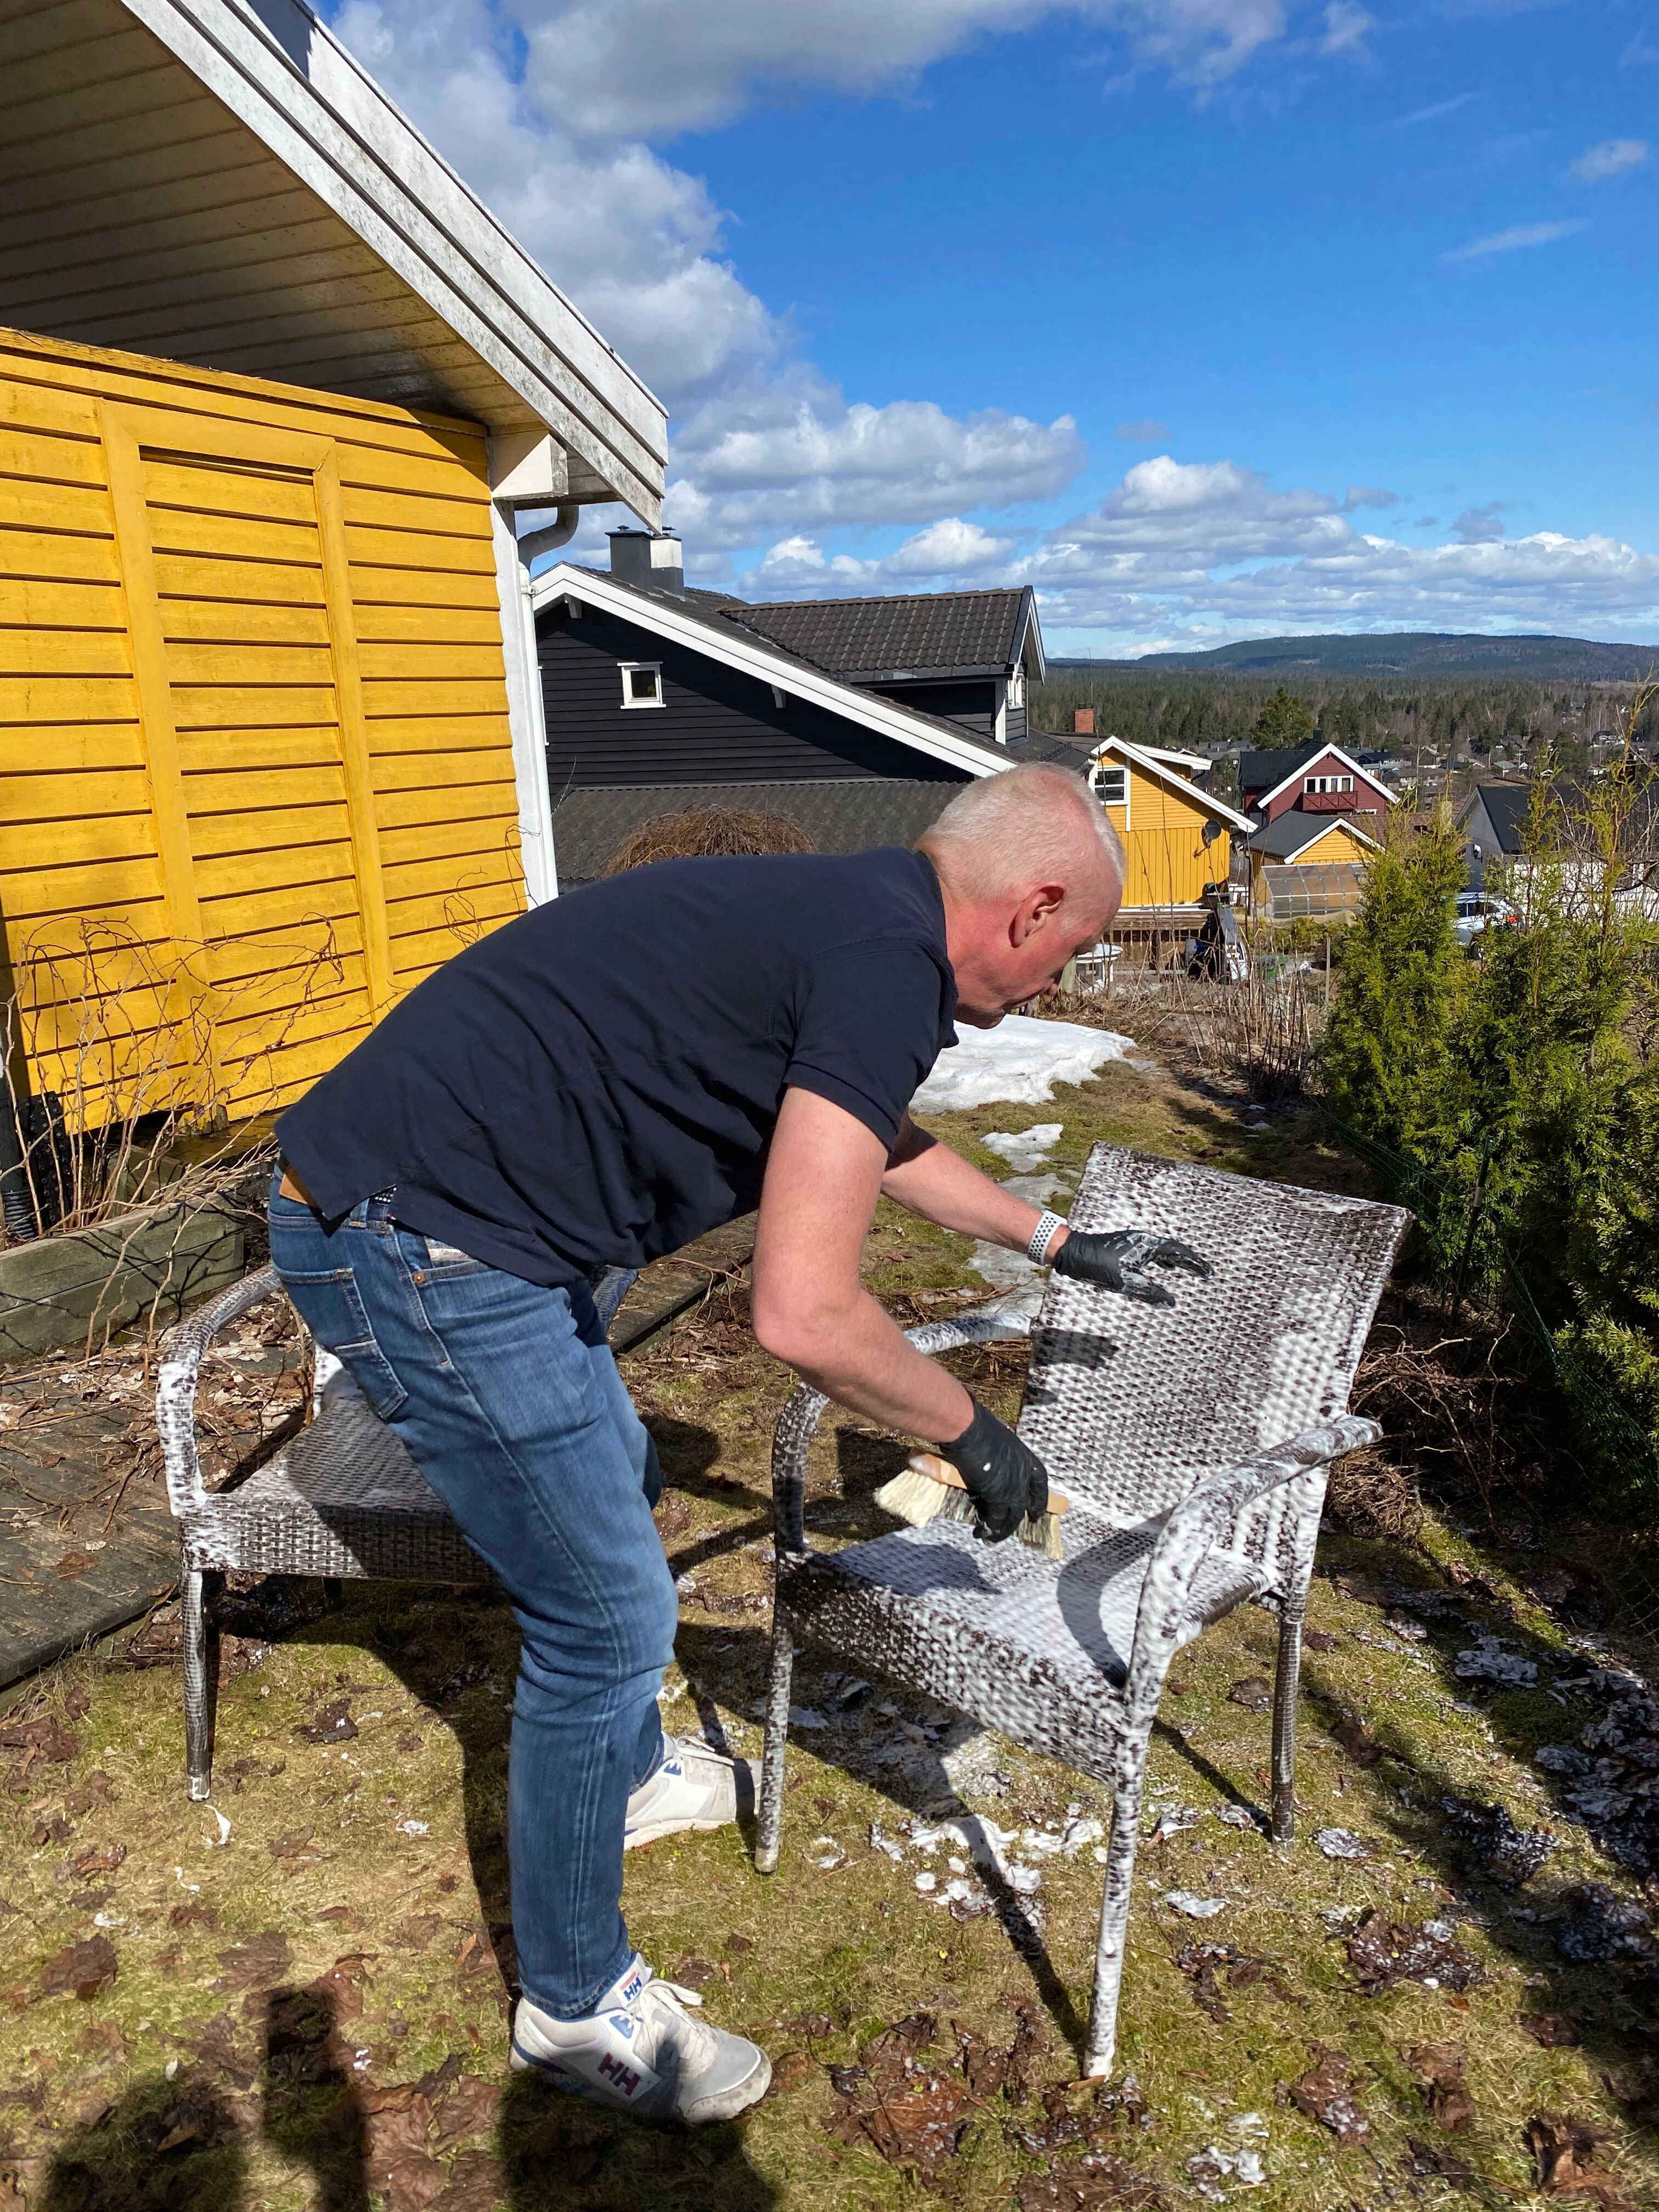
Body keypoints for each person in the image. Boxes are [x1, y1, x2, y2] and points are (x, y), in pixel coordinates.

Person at [267, 764, 1207, 2125]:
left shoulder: (859, 922)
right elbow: (806, 1312)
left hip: (464, 1219)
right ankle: (578, 2007)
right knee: (603, 1618)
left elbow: (873, 1130)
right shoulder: (882, 961)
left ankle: (628, 1777)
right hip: (423, 1240)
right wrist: (974, 1433)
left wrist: (1056, 1241)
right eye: (1072, 950)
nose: (1064, 982)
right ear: (1034, 903)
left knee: (624, 1485)